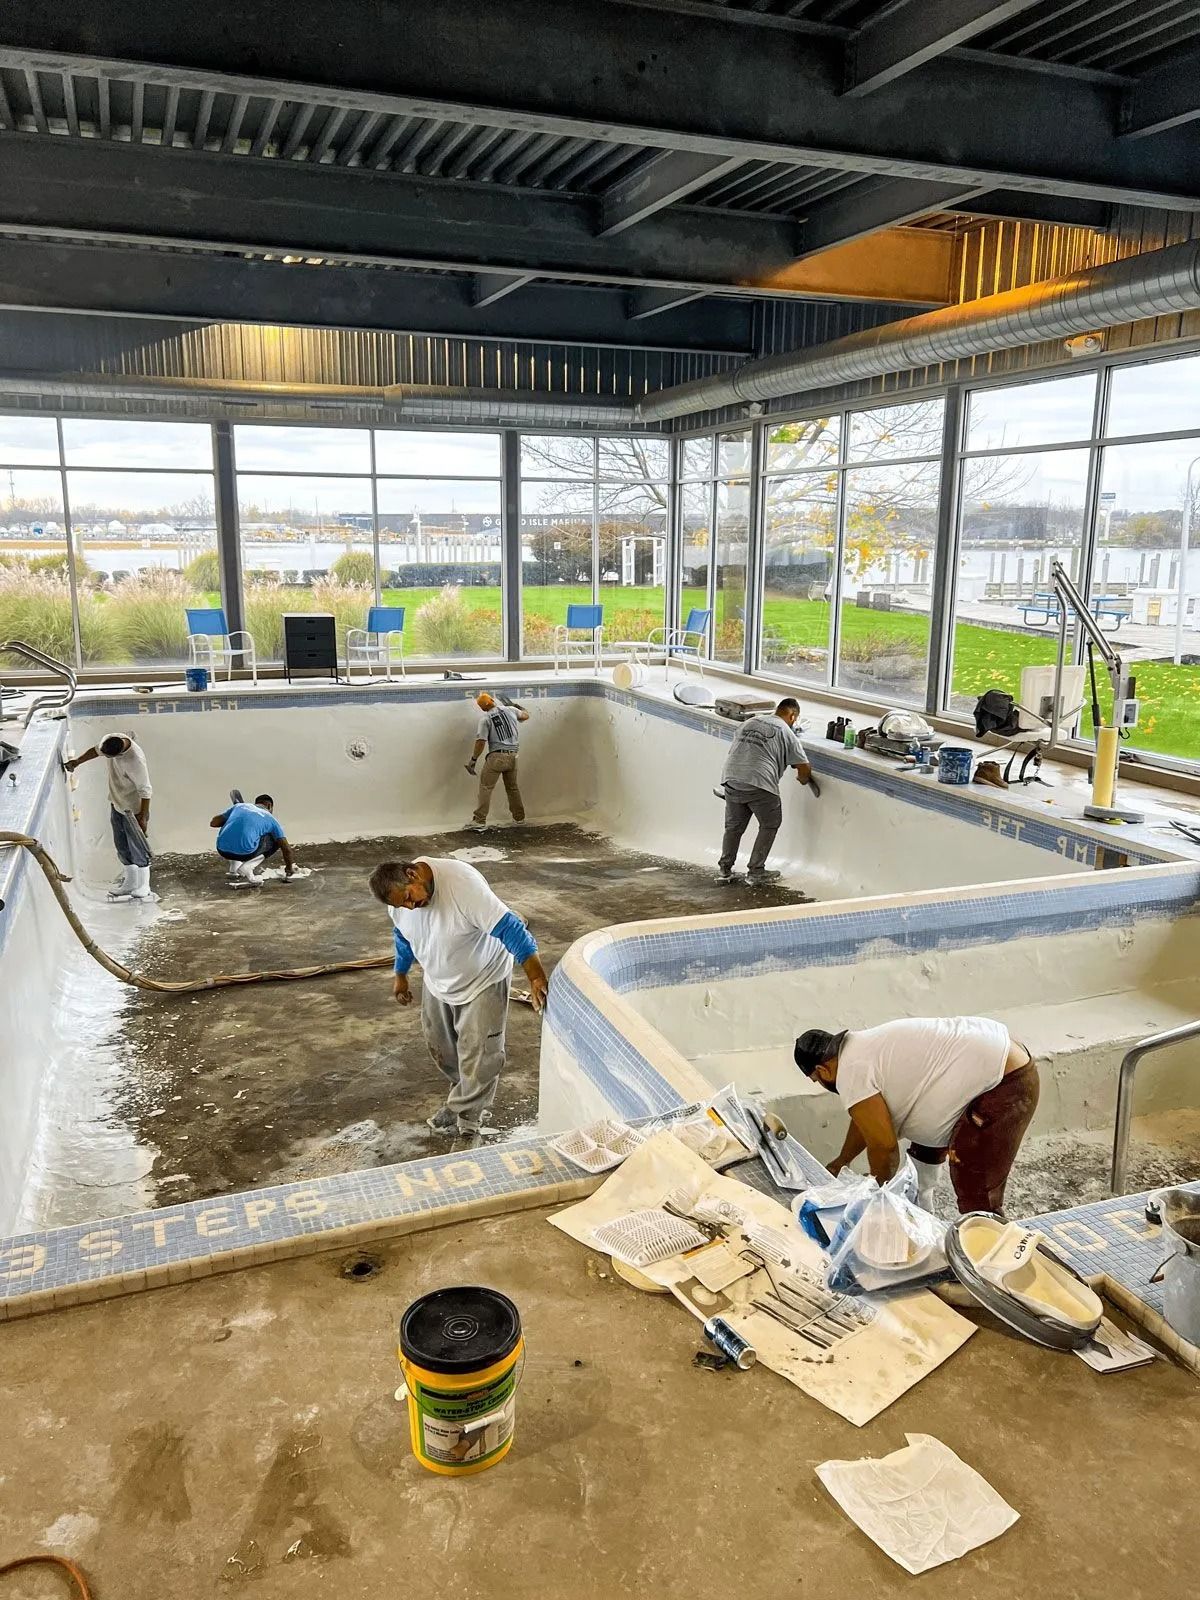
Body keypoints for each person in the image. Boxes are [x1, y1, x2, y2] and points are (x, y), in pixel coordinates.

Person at [369, 856, 549, 1137]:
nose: (409, 906)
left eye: (408, 897)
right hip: (438, 979)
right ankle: (463, 1094)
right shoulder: (401, 903)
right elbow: (403, 937)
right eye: (400, 904)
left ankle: (468, 1120)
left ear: (412, 874)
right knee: (442, 1048)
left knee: (480, 1054)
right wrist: (400, 975)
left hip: (483, 977)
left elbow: (512, 929)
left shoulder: (463, 886)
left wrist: (536, 976)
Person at [792, 1016, 1039, 1215]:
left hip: (1005, 1083)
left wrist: (878, 1196)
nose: (821, 1083)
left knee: (975, 1189)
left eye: (817, 1080)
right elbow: (866, 1123)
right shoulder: (857, 1049)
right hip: (999, 1054)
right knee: (924, 1140)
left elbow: (884, 1147)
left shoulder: (849, 1073)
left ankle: (990, 1259)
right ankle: (924, 1214)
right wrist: (841, 1160)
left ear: (822, 1069)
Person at [716, 697, 815, 886]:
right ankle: (756, 871)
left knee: (733, 828)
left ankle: (725, 869)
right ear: (793, 716)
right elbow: (803, 768)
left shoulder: (750, 722)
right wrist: (803, 779)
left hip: (731, 778)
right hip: (760, 783)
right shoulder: (786, 732)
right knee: (770, 824)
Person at [65, 733, 155, 902]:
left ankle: (144, 885)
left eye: (109, 757)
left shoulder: (135, 761)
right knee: (121, 844)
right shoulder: (111, 740)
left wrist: (143, 817)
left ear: (120, 754)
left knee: (137, 846)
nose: (105, 757)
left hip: (133, 809)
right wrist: (76, 762)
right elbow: (95, 751)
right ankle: (130, 883)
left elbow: (146, 791)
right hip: (117, 802)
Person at [467, 692, 530, 832]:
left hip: (497, 758)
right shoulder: (511, 710)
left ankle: (479, 821)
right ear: (493, 700)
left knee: (486, 788)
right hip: (513, 756)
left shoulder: (485, 719)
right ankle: (519, 819)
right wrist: (516, 706)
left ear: (483, 708)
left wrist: (473, 760)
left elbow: (480, 742)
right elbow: (526, 715)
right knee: (512, 788)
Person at [209, 793, 296, 885]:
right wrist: (289, 868)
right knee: (276, 840)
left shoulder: (239, 807)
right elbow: (286, 849)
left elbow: (214, 823)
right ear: (269, 806)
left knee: (237, 831)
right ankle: (248, 867)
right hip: (246, 853)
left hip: (222, 849)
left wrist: (233, 817)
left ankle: (233, 870)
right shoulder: (271, 819)